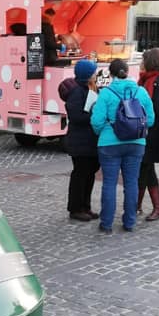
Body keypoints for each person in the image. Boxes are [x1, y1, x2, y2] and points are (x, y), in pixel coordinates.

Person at [90, 59, 155, 233]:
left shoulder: (106, 93)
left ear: (110, 74)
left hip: (109, 143)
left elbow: (96, 121)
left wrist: (104, 132)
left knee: (109, 183)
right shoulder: (141, 92)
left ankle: (107, 223)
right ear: (127, 72)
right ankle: (129, 222)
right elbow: (150, 120)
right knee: (132, 182)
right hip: (136, 143)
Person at [59, 60, 100, 222]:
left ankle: (86, 206)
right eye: (93, 73)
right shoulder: (77, 92)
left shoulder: (88, 89)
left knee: (89, 174)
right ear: (86, 75)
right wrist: (94, 116)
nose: (95, 75)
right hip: (79, 141)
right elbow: (76, 116)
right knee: (80, 175)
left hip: (89, 141)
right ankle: (75, 208)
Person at [136, 48, 159, 221]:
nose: (141, 64)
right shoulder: (148, 80)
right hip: (148, 132)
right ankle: (143, 206)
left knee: (146, 167)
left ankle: (154, 208)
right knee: (145, 168)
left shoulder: (158, 82)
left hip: (153, 133)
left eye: (143, 61)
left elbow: (155, 110)